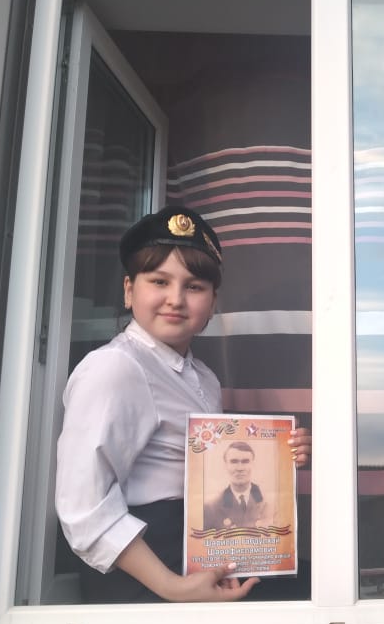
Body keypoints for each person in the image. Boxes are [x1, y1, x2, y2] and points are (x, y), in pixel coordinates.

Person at [55, 204, 311, 603]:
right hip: (147, 571)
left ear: (212, 302)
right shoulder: (114, 367)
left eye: (194, 287)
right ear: (129, 290)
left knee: (318, 586)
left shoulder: (202, 377)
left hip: (200, 549)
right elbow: (82, 507)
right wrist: (172, 587)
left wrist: (279, 456)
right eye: (159, 281)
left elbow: (208, 473)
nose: (175, 299)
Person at [203, 441, 271, 530]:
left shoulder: (270, 503)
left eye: (245, 462)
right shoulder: (211, 507)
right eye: (234, 462)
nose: (240, 468)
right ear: (225, 465)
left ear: (253, 464)